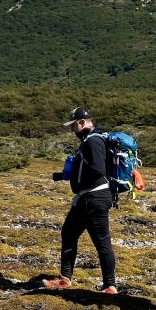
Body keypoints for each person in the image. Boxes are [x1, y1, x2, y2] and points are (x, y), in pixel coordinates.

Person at [41, 107, 119, 295]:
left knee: (101, 242)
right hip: (88, 197)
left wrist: (74, 174)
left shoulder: (93, 141)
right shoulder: (91, 140)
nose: (71, 130)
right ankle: (65, 279)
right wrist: (63, 175)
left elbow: (97, 170)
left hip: (95, 198)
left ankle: (110, 286)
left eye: (73, 125)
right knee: (69, 233)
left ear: (82, 122)